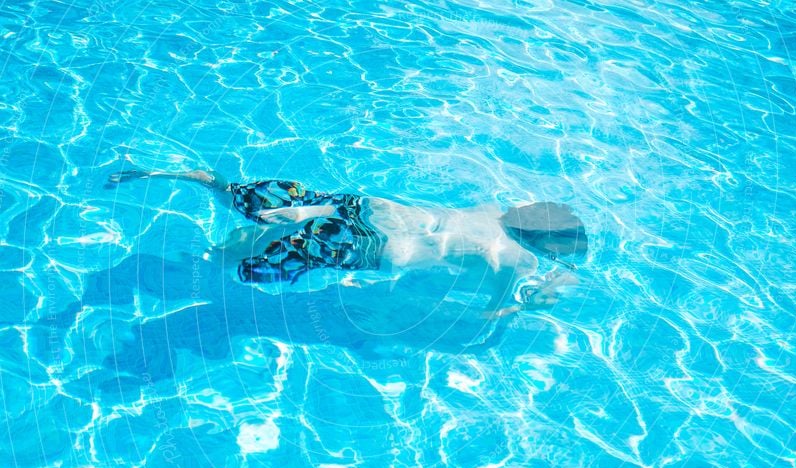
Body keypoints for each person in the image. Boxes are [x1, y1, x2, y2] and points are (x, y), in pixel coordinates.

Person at [108, 167, 588, 317]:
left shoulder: (495, 210)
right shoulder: (514, 261)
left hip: (370, 208)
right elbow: (494, 307)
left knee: (286, 209)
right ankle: (192, 261)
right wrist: (520, 307)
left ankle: (214, 186)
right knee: (232, 265)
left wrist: (311, 212)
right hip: (371, 249)